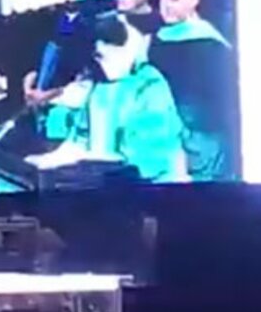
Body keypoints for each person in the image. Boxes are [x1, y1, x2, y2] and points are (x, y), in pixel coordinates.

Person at [30, 15, 189, 185]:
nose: (103, 65)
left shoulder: (150, 85)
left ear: (125, 49)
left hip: (155, 188)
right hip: (106, 186)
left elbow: (147, 159)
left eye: (105, 56)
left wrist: (87, 162)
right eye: (97, 57)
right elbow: (80, 139)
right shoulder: (100, 86)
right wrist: (51, 160)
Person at [142, 0, 235, 182]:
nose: (166, 7)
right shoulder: (154, 41)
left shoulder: (212, 44)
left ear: (194, 0)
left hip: (202, 139)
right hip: (163, 137)